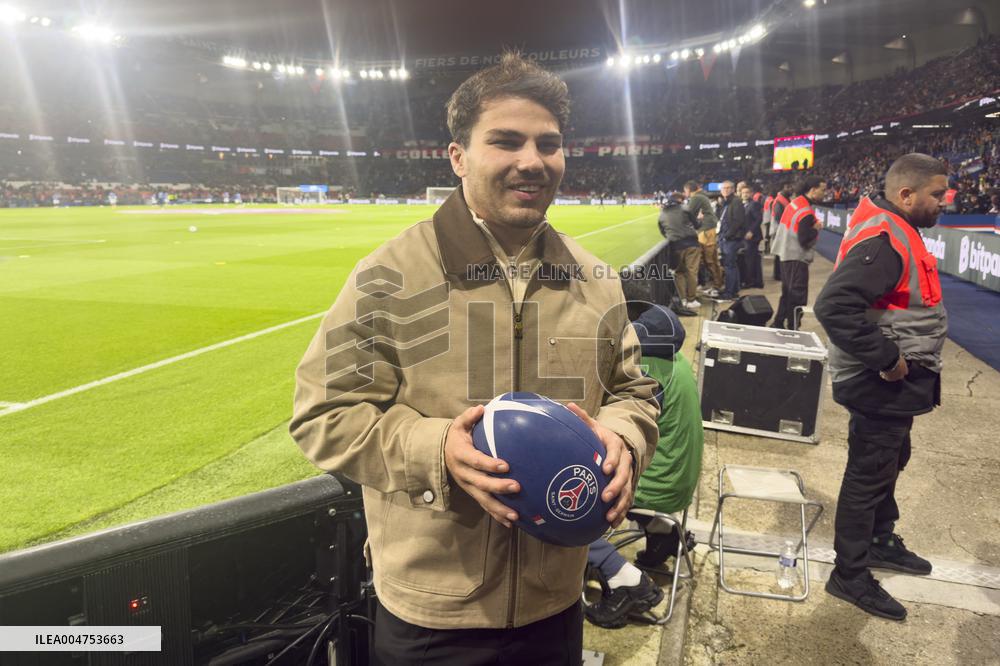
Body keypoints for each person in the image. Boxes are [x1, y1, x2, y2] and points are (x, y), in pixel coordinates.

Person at [290, 52, 659, 665]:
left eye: (549, 144)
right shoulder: (390, 275)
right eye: (506, 141)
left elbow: (632, 392)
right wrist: (438, 450)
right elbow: (322, 414)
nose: (532, 161)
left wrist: (623, 437)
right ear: (458, 156)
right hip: (432, 615)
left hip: (555, 602)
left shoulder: (594, 279)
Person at [814, 153, 948, 622]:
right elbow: (833, 306)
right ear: (906, 194)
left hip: (891, 385)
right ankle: (849, 574)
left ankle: (878, 539)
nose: (944, 202)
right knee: (869, 473)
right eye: (936, 194)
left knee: (890, 459)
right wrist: (888, 359)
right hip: (877, 381)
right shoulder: (886, 239)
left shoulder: (895, 228)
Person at [585, 300, 704, 629]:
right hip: (680, 481)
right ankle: (663, 535)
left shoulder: (643, 368)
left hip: (659, 486)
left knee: (566, 504)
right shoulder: (677, 360)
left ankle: (625, 579)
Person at [770, 176, 826, 329]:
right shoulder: (806, 211)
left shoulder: (796, 202)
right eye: (822, 190)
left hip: (786, 254)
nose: (824, 193)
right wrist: (816, 229)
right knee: (797, 295)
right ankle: (793, 327)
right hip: (795, 256)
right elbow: (804, 239)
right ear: (813, 190)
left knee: (787, 292)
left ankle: (778, 323)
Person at [657, 191, 701, 311]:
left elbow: (662, 231)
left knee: (679, 272)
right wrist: (700, 219)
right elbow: (697, 225)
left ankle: (683, 299)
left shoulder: (662, 214)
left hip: (675, 246)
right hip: (691, 244)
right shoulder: (685, 208)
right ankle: (691, 299)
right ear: (680, 200)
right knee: (692, 272)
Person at [683, 180, 722, 298]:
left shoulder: (696, 197)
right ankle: (716, 284)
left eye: (685, 191)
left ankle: (717, 285)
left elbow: (688, 214)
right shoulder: (701, 196)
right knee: (710, 259)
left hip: (706, 230)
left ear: (688, 190)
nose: (685, 193)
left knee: (709, 259)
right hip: (707, 229)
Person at [717, 180, 749, 300]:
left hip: (731, 239)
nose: (725, 190)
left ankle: (729, 292)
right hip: (726, 238)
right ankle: (733, 290)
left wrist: (727, 235)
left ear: (733, 189)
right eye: (723, 188)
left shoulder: (736, 201)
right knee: (731, 265)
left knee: (729, 266)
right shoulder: (726, 202)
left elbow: (738, 221)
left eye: (728, 188)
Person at [740, 183, 764, 289]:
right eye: (743, 193)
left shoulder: (754, 204)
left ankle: (750, 282)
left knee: (750, 260)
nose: (745, 194)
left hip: (752, 236)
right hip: (745, 236)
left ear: (751, 193)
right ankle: (754, 281)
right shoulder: (742, 205)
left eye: (747, 192)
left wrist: (751, 231)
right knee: (750, 259)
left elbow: (758, 219)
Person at [769, 181, 793, 280]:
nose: (791, 189)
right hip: (779, 230)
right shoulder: (779, 200)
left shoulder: (785, 199)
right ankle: (778, 275)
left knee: (781, 253)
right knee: (780, 253)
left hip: (781, 230)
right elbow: (778, 218)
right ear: (783, 188)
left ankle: (779, 274)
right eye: (788, 187)